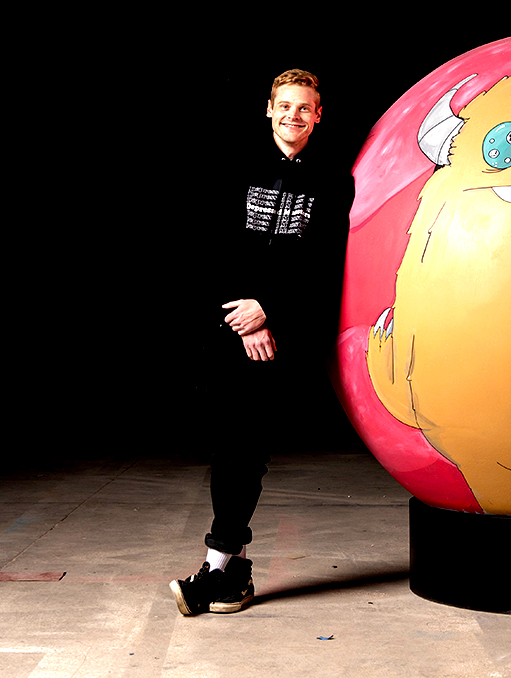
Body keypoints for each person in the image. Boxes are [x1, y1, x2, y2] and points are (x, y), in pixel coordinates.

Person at [171, 69, 352, 616]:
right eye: (285, 106)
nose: (294, 116)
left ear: (318, 116)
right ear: (268, 110)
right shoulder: (234, 167)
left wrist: (269, 312)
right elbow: (209, 247)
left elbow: (324, 265)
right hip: (229, 324)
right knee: (233, 447)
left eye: (305, 108)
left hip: (284, 329)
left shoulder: (333, 179)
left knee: (243, 445)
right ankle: (234, 572)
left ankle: (216, 568)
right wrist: (245, 316)